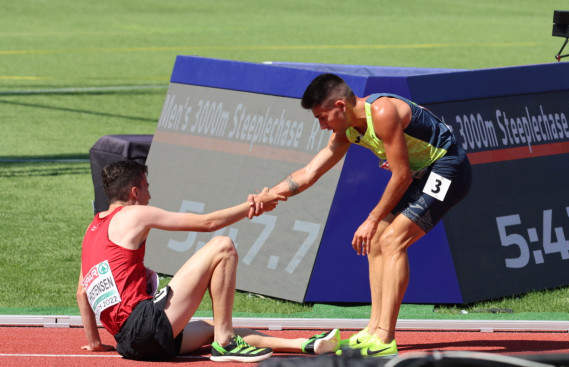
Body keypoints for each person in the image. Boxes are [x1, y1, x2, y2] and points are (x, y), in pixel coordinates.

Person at [264, 73, 472, 358]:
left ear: (340, 105)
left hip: (449, 168)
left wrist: (372, 218)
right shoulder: (348, 129)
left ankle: (385, 337)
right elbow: (310, 173)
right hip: (421, 173)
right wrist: (271, 194)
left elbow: (400, 177)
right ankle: (374, 329)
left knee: (392, 240)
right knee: (377, 241)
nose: (322, 125)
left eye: (322, 117)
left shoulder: (383, 112)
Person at [76, 160, 340, 363]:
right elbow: (208, 223)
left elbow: (83, 291)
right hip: (144, 325)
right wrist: (255, 204)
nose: (150, 195)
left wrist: (95, 342)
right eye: (146, 187)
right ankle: (225, 344)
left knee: (213, 324)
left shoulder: (91, 231)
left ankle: (303, 344)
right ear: (134, 192)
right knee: (222, 246)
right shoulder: (135, 214)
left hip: (129, 343)